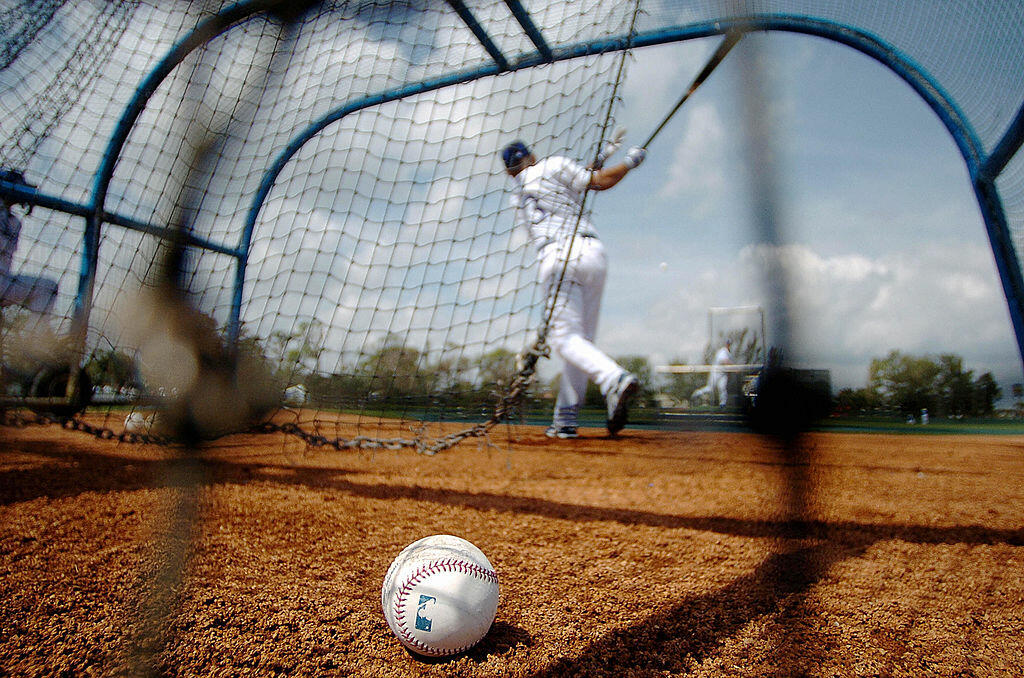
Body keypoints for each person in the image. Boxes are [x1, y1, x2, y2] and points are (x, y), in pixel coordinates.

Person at [501, 138, 646, 438]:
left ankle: (613, 379)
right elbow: (598, 182)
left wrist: (603, 157)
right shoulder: (553, 163)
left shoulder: (516, 196)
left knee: (567, 341)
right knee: (581, 344)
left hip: (557, 257)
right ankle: (566, 419)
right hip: (593, 253)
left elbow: (575, 182)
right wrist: (629, 164)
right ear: (532, 155)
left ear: (509, 172)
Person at [1, 170, 58, 315]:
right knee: (48, 287)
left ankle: (36, 337)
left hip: (3, 282)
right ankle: (37, 337)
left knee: (48, 287)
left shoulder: (14, 222)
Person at [692, 338, 732, 408]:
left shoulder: (728, 353)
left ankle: (722, 404)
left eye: (729, 343)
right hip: (716, 373)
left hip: (723, 374)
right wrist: (734, 366)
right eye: (727, 343)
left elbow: (727, 365)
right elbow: (723, 361)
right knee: (710, 388)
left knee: (722, 388)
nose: (728, 345)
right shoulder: (722, 351)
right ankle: (697, 394)